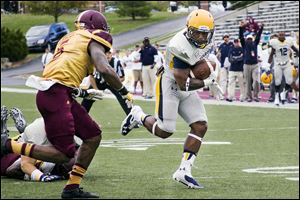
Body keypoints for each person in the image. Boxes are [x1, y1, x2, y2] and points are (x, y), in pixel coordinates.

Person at [1, 10, 133, 199]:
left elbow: (62, 74)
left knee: (93, 135)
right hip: (56, 95)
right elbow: (104, 68)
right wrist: (123, 91)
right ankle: (7, 145)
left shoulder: (69, 38)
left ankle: (72, 187)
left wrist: (82, 92)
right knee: (64, 154)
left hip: (57, 92)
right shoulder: (94, 37)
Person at [120, 9, 223, 189]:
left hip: (186, 80)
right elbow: (183, 83)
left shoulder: (207, 39)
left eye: (204, 33)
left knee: (200, 125)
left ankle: (184, 171)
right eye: (196, 32)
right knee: (165, 130)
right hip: (171, 84)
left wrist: (211, 71)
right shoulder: (179, 45)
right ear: (188, 29)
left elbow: (203, 62)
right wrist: (207, 81)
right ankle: (138, 115)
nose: (200, 37)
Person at [1, 106, 74, 182]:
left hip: (25, 147)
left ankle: (13, 134)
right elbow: (20, 166)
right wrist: (42, 177)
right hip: (22, 149)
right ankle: (6, 134)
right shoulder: (39, 130)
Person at [81, 50, 131, 114]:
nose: (107, 55)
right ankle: (80, 116)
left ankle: (131, 117)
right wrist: (96, 90)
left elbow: (122, 78)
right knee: (88, 98)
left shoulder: (116, 62)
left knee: (125, 98)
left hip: (113, 83)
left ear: (112, 54)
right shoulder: (97, 61)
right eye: (106, 53)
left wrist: (114, 82)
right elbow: (91, 77)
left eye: (109, 53)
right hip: (99, 82)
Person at [266, 31, 299, 106]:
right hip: (278, 64)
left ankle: (283, 92)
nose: (281, 36)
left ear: (284, 35)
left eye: (282, 35)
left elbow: (295, 50)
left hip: (287, 63)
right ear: (278, 36)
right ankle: (277, 97)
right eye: (280, 35)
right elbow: (271, 53)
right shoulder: (274, 43)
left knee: (289, 81)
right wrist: (269, 60)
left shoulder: (288, 41)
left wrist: (296, 56)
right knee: (277, 81)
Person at [239, 20, 264, 102]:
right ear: (246, 39)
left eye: (250, 39)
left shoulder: (255, 43)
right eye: (248, 39)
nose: (249, 40)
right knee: (248, 82)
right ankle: (249, 97)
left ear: (252, 39)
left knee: (256, 80)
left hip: (255, 65)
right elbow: (241, 36)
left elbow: (258, 36)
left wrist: (261, 28)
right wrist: (240, 28)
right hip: (246, 65)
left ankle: (256, 96)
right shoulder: (244, 44)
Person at [217, 34, 234, 99]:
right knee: (223, 80)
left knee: (231, 80)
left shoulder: (232, 44)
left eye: (227, 37)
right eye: (224, 37)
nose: (226, 38)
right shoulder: (221, 45)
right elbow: (218, 54)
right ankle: (222, 94)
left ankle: (230, 95)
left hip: (231, 64)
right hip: (223, 64)